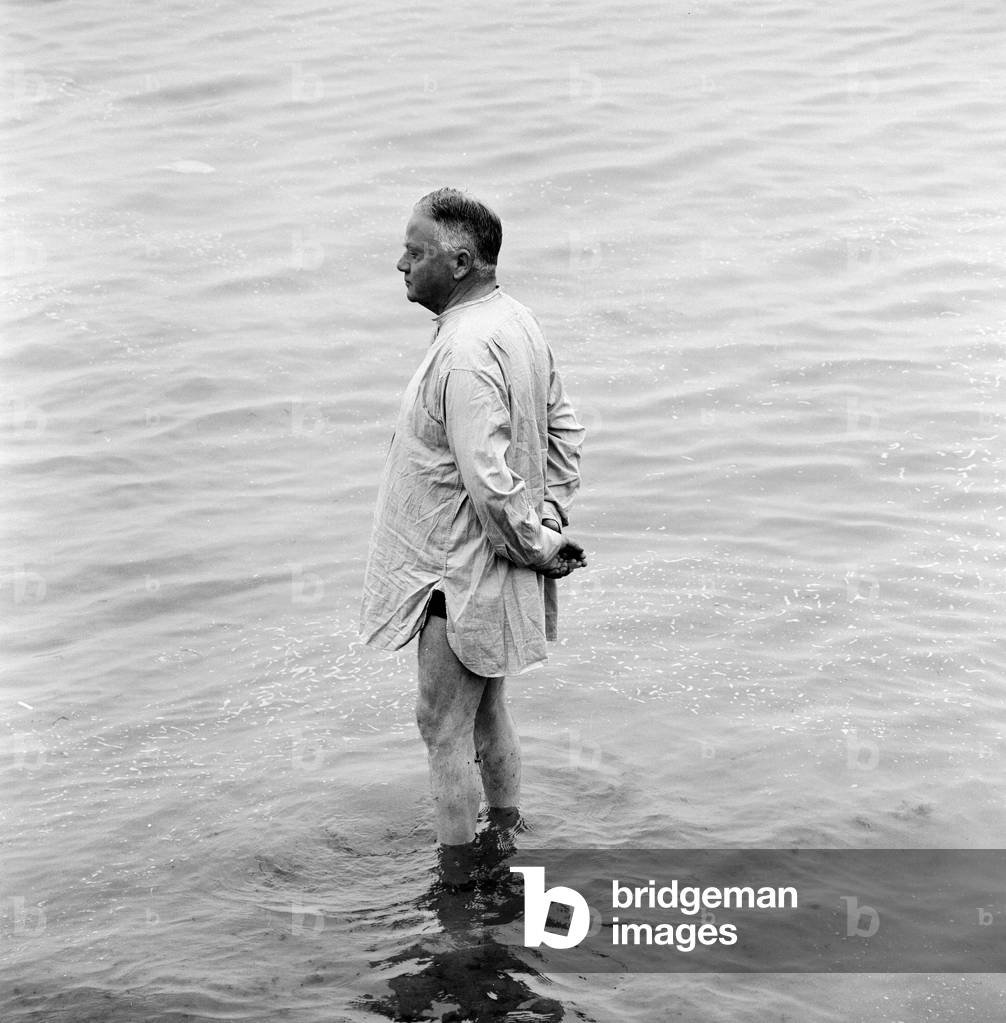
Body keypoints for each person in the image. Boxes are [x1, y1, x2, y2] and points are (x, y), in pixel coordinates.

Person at [359, 187, 586, 864]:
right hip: (492, 561)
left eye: (415, 250)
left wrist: (537, 542)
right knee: (486, 715)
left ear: (459, 262)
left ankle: (459, 894)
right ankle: (504, 846)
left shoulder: (464, 349)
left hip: (455, 573)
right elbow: (564, 433)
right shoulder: (515, 320)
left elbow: (488, 483)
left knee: (442, 728)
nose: (401, 263)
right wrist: (545, 519)